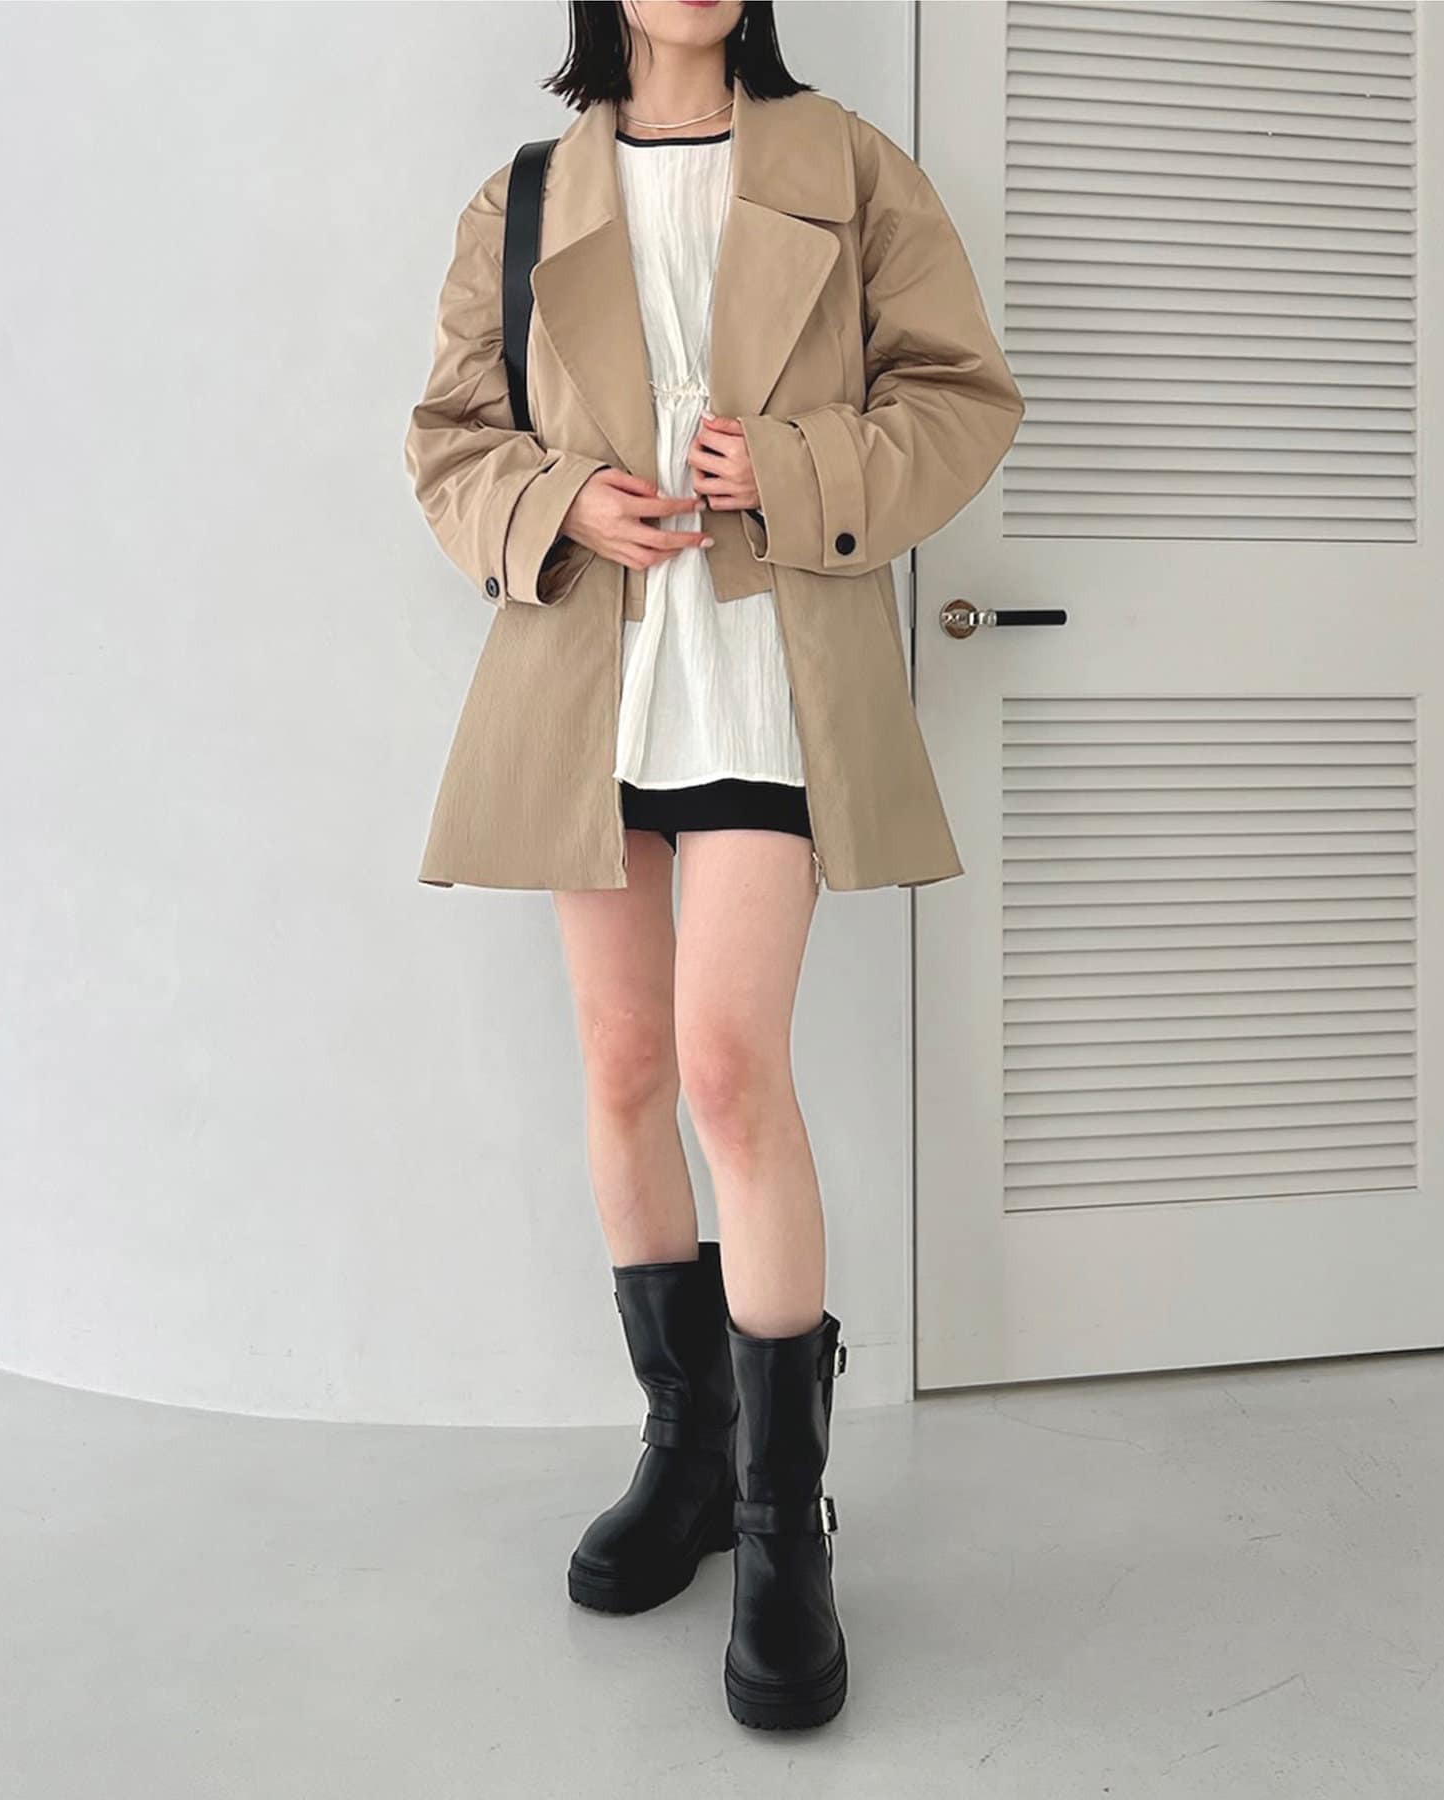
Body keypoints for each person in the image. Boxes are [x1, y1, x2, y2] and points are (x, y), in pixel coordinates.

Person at [403, 0, 1024, 1732]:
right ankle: (685, 1454)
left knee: (730, 1070)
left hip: (768, 678)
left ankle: (779, 1527)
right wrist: (559, 503)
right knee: (622, 1071)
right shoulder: (528, 194)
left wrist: (804, 468)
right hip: (585, 686)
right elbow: (449, 438)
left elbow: (963, 399)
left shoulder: (849, 167)